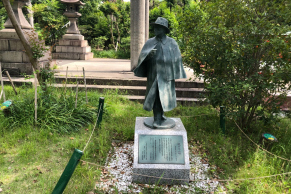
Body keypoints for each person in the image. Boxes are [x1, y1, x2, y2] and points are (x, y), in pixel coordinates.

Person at [134, 17, 186, 129]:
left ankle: (160, 116)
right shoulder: (150, 42)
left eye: (158, 27)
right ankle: (157, 118)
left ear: (163, 29)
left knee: (165, 97)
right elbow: (141, 57)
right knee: (156, 96)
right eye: (155, 27)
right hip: (154, 74)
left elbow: (177, 58)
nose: (155, 29)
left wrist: (173, 68)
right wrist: (148, 55)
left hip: (167, 75)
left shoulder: (172, 42)